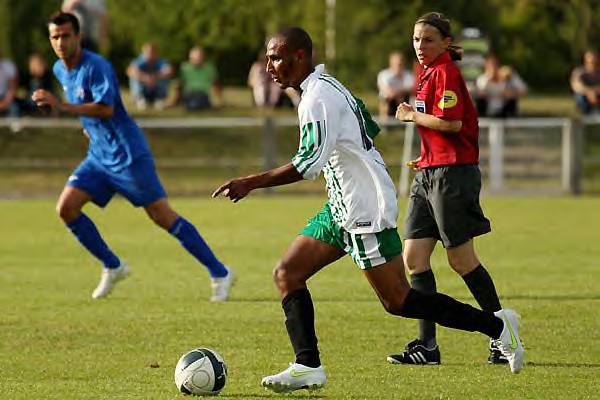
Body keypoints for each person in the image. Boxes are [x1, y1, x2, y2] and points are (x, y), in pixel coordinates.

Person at [213, 26, 524, 393]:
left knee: (398, 301)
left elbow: (306, 164)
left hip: (363, 207)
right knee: (287, 273)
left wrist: (250, 182)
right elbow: (368, 129)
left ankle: (498, 327)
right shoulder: (325, 87)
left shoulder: (317, 99)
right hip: (343, 203)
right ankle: (307, 365)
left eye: (276, 57)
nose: (269, 66)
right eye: (267, 58)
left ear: (299, 57)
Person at [31, 12, 234, 302]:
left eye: (65, 36)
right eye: (55, 36)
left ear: (78, 37)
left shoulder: (97, 66)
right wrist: (86, 128)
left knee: (162, 216)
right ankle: (113, 266)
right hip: (98, 156)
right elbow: (84, 106)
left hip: (127, 155)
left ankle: (220, 272)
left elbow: (106, 109)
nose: (60, 42)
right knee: (66, 207)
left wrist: (61, 106)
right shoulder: (60, 69)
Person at [391, 12, 510, 366]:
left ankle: (502, 336)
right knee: (414, 259)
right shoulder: (426, 74)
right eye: (415, 40)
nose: (420, 46)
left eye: (428, 39)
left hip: (453, 176)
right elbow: (438, 130)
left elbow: (452, 123)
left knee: (461, 260)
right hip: (430, 173)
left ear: (446, 42)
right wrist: (425, 156)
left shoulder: (446, 72)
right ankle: (427, 347)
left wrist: (412, 115)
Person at [126, 42, 173, 110]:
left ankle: (159, 100)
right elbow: (130, 71)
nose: (150, 54)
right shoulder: (139, 61)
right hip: (143, 88)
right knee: (134, 78)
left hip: (155, 88)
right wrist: (146, 78)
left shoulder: (160, 61)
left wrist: (155, 77)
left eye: (152, 52)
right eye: (147, 52)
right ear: (143, 52)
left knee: (164, 78)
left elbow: (169, 70)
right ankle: (139, 99)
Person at [175, 45, 221, 111]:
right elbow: (180, 84)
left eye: (198, 58)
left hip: (202, 94)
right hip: (188, 93)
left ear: (203, 57)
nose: (196, 60)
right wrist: (175, 100)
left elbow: (216, 84)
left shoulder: (210, 68)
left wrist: (219, 99)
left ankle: (196, 105)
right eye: (193, 58)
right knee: (192, 102)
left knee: (196, 103)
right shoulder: (184, 67)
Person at [377, 51, 414, 119]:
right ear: (391, 63)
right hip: (389, 99)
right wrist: (397, 93)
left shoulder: (408, 75)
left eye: (400, 63)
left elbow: (410, 88)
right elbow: (385, 89)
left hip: (403, 99)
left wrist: (397, 93)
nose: (398, 65)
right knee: (385, 98)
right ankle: (385, 122)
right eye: (396, 63)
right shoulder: (384, 74)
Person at [570, 49, 600, 115]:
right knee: (579, 96)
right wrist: (589, 92)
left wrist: (594, 91)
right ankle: (584, 113)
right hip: (585, 98)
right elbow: (576, 87)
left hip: (597, 96)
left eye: (594, 58)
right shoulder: (579, 72)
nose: (592, 60)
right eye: (590, 58)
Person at [0, 48, 19, 118]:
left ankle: (13, 128)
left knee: (14, 108)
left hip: (6, 97)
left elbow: (12, 89)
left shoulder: (8, 66)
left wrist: (4, 103)